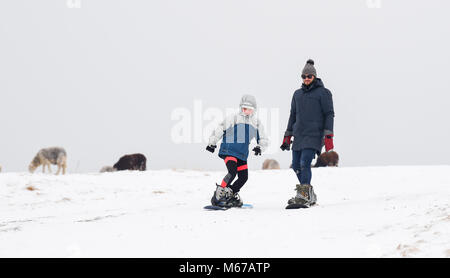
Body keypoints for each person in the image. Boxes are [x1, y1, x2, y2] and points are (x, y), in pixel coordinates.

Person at [280, 59, 335, 207]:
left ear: (314, 77)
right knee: (296, 165)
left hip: (314, 135)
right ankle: (307, 194)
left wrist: (328, 135)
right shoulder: (297, 94)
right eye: (303, 76)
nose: (306, 79)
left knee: (305, 162)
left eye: (309, 76)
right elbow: (292, 115)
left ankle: (304, 195)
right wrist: (287, 136)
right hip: (299, 135)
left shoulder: (324, 93)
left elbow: (329, 114)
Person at [206, 94, 269, 207]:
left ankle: (230, 194)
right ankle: (218, 195)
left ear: (254, 110)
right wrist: (212, 143)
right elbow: (220, 129)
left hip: (242, 154)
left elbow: (263, 138)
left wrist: (260, 147)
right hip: (228, 150)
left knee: (243, 177)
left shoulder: (256, 123)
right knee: (232, 172)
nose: (246, 111)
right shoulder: (233, 118)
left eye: (249, 109)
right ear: (241, 108)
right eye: (244, 108)